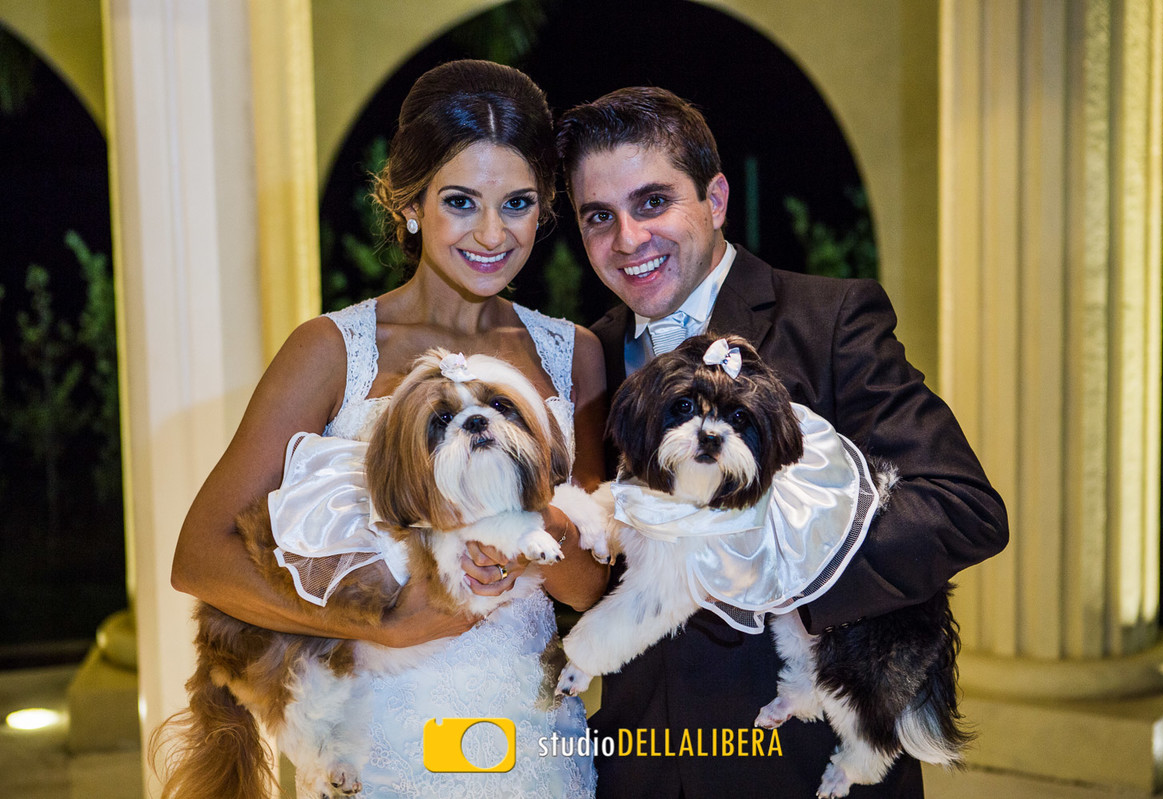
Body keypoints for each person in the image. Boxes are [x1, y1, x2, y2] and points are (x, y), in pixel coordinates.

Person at [556, 87, 1009, 797]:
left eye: (653, 202)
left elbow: (963, 507)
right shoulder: (591, 353)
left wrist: (783, 581)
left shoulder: (829, 320)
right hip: (638, 766)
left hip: (797, 761)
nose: (628, 240)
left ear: (716, 197)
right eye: (598, 217)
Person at [172, 59, 607, 797]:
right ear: (410, 203)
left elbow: (595, 586)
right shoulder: (331, 350)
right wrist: (379, 623)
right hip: (377, 754)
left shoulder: (575, 355)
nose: (493, 233)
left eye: (519, 203)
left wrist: (519, 529)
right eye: (461, 201)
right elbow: (198, 557)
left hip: (532, 745)